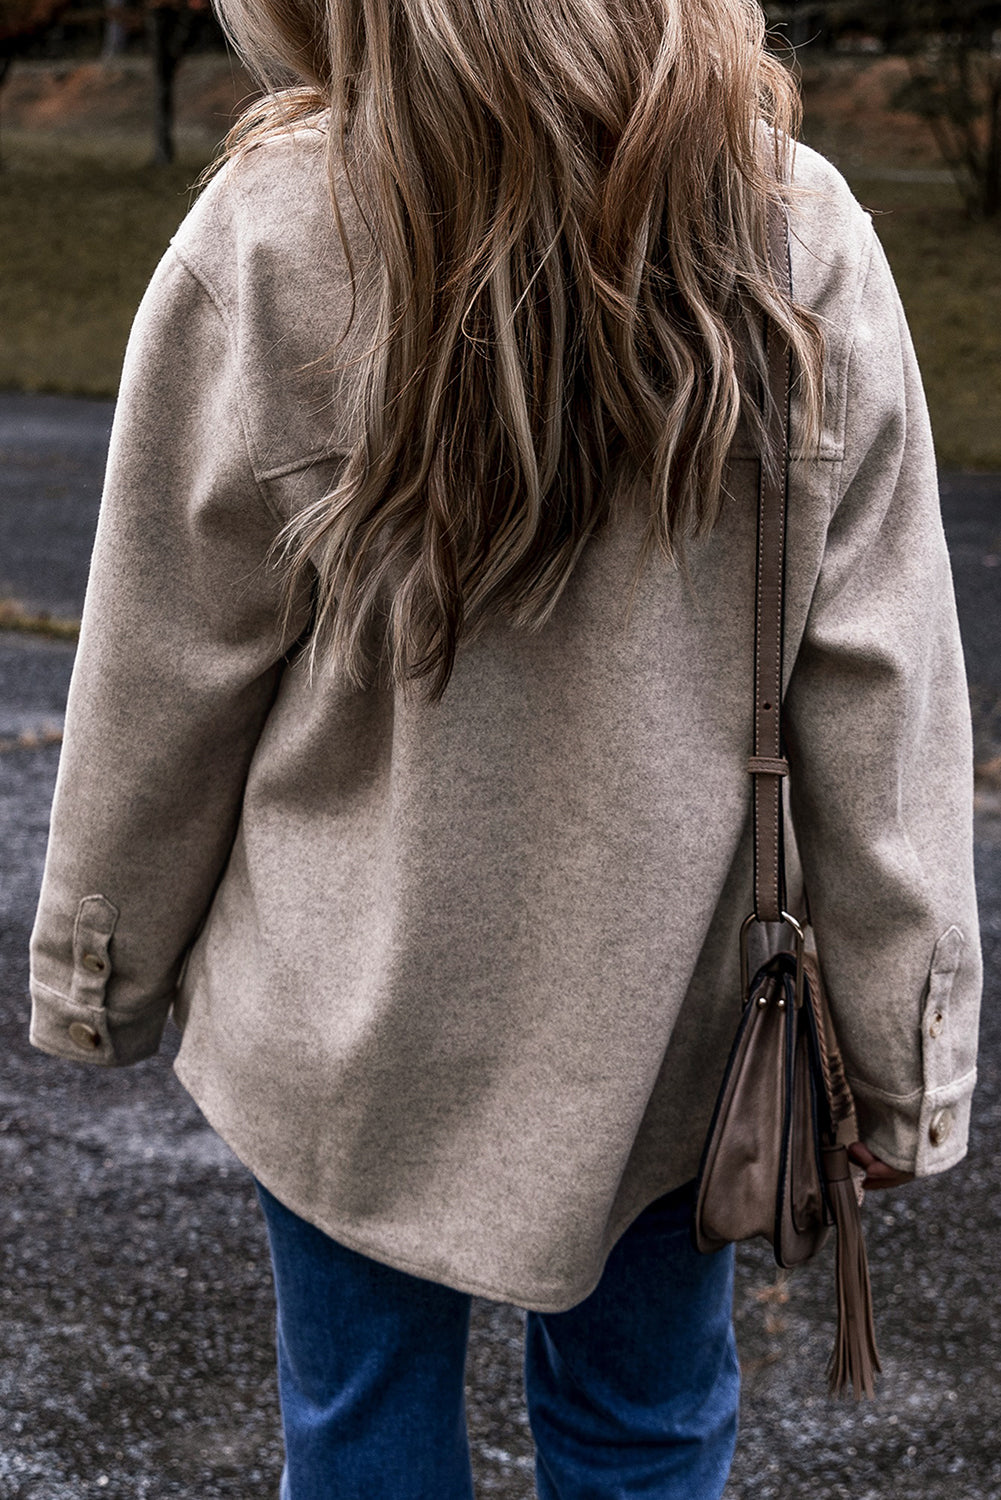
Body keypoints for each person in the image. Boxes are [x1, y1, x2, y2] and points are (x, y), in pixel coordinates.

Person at [29, 0, 981, 1495]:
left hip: (346, 1009)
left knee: (359, 1425)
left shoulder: (277, 231)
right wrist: (897, 1041)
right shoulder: (797, 235)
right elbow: (878, 687)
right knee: (645, 1428)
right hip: (666, 1016)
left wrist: (102, 966)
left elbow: (167, 663)